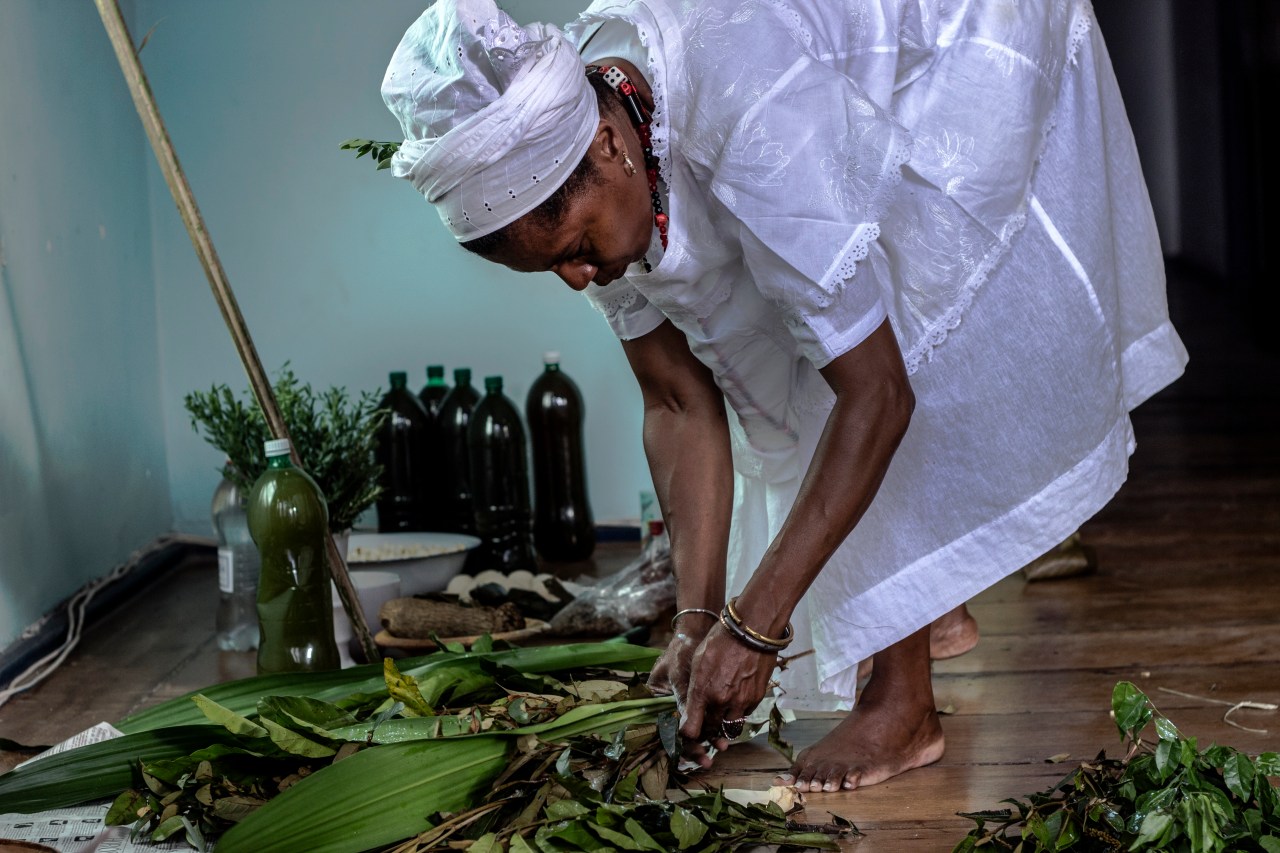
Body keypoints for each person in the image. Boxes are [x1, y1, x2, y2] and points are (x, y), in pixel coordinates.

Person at [379, 0, 1188, 793]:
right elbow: (677, 403)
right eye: (554, 267)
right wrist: (696, 620)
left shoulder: (747, 105)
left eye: (578, 249)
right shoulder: (591, 166)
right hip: (813, 91)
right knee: (805, 340)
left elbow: (876, 393)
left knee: (889, 313)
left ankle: (904, 702)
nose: (578, 278)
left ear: (609, 144)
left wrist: (755, 625)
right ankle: (931, 603)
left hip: (958, 37)